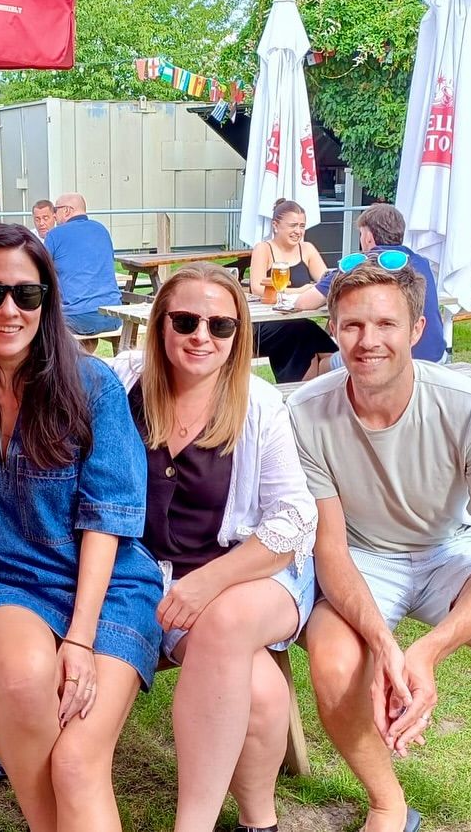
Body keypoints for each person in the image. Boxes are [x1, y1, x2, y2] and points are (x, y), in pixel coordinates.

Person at [288, 259, 471, 832]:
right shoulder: (305, 412)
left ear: (417, 330)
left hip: (449, 548)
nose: (368, 341)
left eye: (386, 324)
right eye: (352, 325)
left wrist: (426, 652)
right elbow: (331, 552)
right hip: (363, 557)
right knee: (336, 664)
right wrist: (382, 644)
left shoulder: (467, 406)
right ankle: (388, 804)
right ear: (333, 328)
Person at [0, 223, 163, 832]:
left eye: (26, 294)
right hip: (7, 579)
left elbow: (107, 520)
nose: (9, 310)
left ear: (47, 301)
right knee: (21, 684)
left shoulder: (92, 385)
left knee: (77, 763)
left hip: (109, 585)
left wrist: (80, 639)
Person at [111, 263, 318, 832]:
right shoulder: (123, 384)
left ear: (238, 334)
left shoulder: (259, 404)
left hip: (258, 568)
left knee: (225, 623)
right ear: (160, 324)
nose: (202, 336)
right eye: (185, 321)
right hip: (161, 578)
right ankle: (260, 823)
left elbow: (294, 518)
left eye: (220, 325)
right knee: (261, 691)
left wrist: (211, 580)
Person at [293, 203, 446, 365]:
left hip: (393, 360)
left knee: (322, 363)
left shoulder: (358, 264)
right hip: (435, 357)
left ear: (368, 237)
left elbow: (303, 303)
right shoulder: (421, 262)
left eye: (361, 234)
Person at [248, 198, 337, 382]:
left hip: (296, 321)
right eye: (293, 225)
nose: (298, 231)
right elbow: (257, 288)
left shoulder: (307, 249)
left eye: (302, 226)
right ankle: (304, 388)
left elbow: (326, 280)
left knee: (306, 333)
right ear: (275, 225)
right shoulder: (264, 249)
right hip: (265, 323)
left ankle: (317, 383)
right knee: (303, 331)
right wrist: (300, 291)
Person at [44, 192, 123, 337]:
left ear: (67, 210)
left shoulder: (55, 235)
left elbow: (41, 270)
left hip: (78, 317)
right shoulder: (102, 230)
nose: (54, 215)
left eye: (56, 209)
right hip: (113, 315)